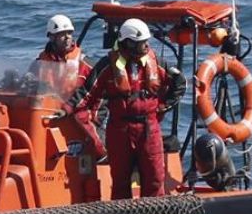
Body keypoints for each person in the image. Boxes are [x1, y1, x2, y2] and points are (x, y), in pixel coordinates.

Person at [70, 18, 185, 199]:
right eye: (142, 43)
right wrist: (67, 108)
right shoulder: (108, 66)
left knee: (154, 178)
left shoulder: (157, 63)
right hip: (119, 129)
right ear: (130, 43)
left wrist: (162, 107)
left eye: (147, 42)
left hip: (149, 127)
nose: (147, 46)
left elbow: (180, 83)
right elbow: (88, 92)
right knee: (120, 181)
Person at [35, 14, 108, 162]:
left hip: (81, 109)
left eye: (69, 33)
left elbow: (100, 91)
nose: (67, 37)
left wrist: (94, 116)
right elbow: (32, 86)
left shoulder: (85, 64)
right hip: (52, 111)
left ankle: (103, 155)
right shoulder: (40, 62)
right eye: (62, 34)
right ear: (51, 37)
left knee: (82, 118)